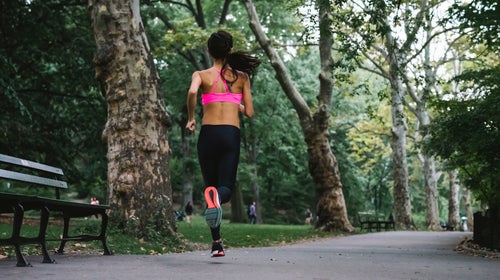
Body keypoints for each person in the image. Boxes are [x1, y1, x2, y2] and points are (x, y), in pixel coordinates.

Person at [185, 30, 260, 257]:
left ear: (209, 51)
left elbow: (191, 92)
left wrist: (191, 118)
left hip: (207, 135)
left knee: (211, 187)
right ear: (229, 50)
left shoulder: (201, 74)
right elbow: (250, 113)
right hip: (230, 134)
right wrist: (235, 104)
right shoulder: (242, 77)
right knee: (223, 190)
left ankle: (217, 243)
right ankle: (217, 239)